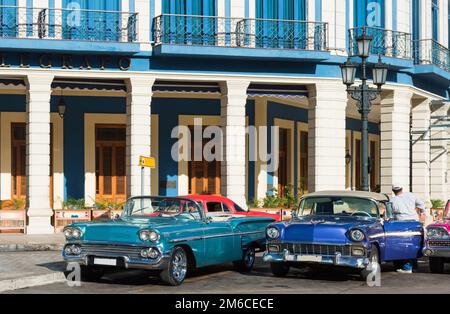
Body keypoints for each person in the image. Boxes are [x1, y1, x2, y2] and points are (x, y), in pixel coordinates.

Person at [391, 183, 426, 274]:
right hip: (414, 222)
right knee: (413, 243)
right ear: (402, 188)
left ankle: (408, 267)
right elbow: (421, 203)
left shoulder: (393, 200)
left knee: (405, 245)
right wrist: (422, 212)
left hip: (401, 223)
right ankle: (413, 266)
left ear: (393, 191)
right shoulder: (411, 195)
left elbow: (391, 213)